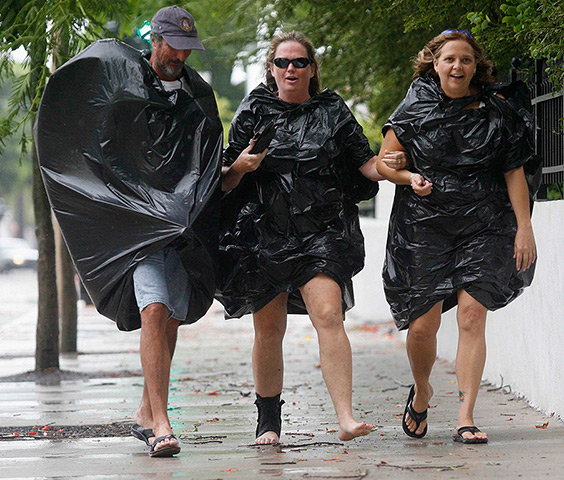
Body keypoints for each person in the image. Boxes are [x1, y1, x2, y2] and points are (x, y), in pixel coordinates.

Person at [35, 6, 223, 457]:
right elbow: (106, 147)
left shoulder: (198, 95)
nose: (180, 55)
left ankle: (145, 409)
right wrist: (131, 202)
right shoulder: (126, 83)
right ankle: (161, 423)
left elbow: (207, 156)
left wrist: (231, 172)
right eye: (173, 46)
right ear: (154, 40)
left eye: (186, 48)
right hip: (136, 228)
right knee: (154, 311)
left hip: (180, 226)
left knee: (171, 318)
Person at [217, 31, 407, 445]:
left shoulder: (332, 110)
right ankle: (268, 420)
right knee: (269, 330)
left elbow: (364, 165)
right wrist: (242, 167)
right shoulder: (255, 109)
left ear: (312, 68)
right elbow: (226, 180)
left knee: (328, 315)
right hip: (264, 235)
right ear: (271, 69)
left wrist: (387, 165)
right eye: (283, 62)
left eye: (299, 62)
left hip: (323, 232)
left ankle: (346, 416)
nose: (291, 69)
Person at [376, 30, 540, 444]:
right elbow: (383, 164)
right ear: (435, 63)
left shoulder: (495, 111)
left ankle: (466, 415)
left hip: (484, 223)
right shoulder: (414, 107)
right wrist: (407, 174)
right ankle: (423, 391)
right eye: (450, 59)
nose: (457, 67)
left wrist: (524, 228)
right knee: (422, 327)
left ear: (475, 66)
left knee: (471, 316)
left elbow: (514, 171)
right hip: (424, 225)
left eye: (465, 60)